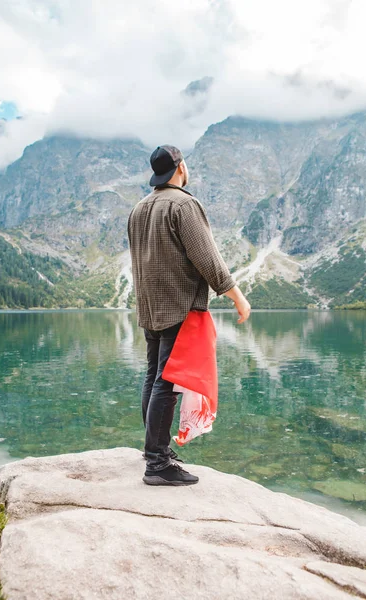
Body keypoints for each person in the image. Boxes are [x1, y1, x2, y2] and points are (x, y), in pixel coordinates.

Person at [127, 145, 251, 486]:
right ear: (181, 167)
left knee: (154, 376)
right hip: (178, 306)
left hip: (150, 307)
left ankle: (154, 451)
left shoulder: (139, 208)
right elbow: (205, 256)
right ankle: (157, 463)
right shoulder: (183, 204)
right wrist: (237, 296)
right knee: (166, 383)